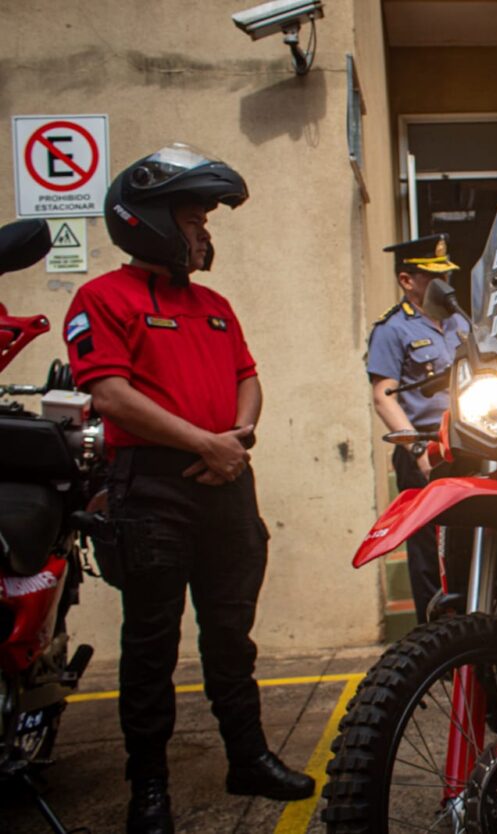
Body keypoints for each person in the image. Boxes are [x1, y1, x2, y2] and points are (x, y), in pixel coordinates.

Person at [62, 145, 313, 834]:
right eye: (197, 219)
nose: (205, 233)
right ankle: (149, 789)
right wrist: (204, 444)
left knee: (231, 638)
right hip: (154, 490)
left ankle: (248, 757)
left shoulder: (215, 304)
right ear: (151, 221)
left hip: (228, 480)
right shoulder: (101, 299)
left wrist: (237, 438)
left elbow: (248, 378)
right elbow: (110, 395)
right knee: (151, 645)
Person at [365, 234, 468, 624]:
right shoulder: (392, 329)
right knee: (429, 551)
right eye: (432, 276)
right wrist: (417, 451)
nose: (443, 285)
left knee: (470, 541)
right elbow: (384, 396)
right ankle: (437, 633)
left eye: (446, 274)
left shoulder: (459, 320)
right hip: (424, 448)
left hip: (465, 444)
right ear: (407, 281)